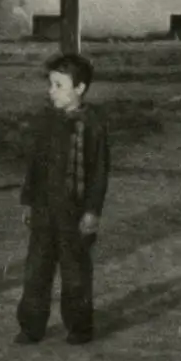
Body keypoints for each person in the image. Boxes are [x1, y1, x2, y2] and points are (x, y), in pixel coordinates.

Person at [15, 52, 110, 346]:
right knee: (36, 270)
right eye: (50, 84)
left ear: (79, 88)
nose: (51, 91)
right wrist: (28, 200)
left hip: (75, 212)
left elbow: (99, 174)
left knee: (75, 273)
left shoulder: (93, 125)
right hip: (44, 209)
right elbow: (34, 164)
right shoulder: (46, 121)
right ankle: (31, 326)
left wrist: (92, 212)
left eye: (59, 85)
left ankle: (79, 327)